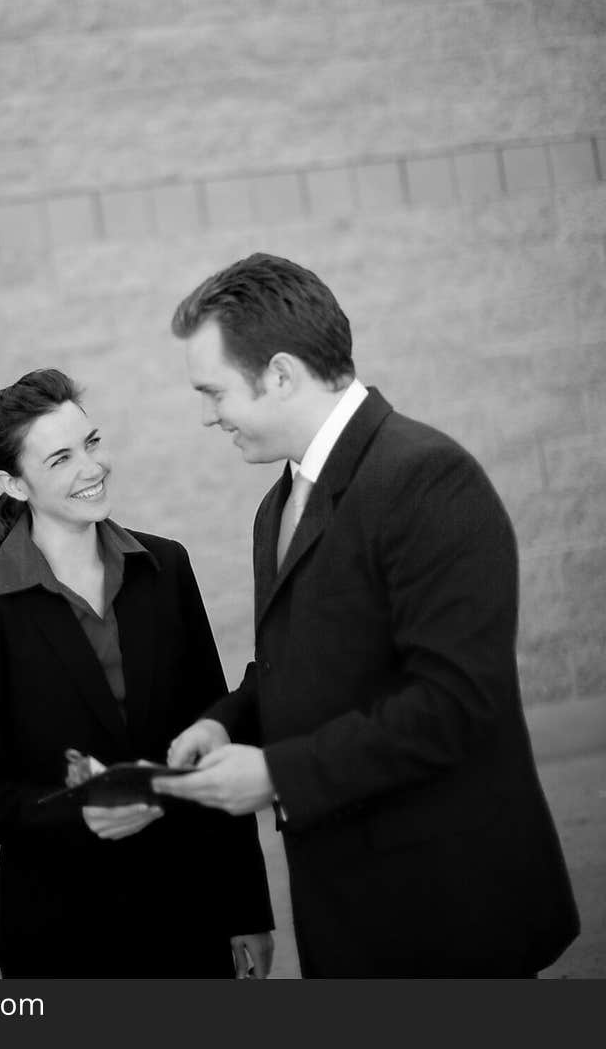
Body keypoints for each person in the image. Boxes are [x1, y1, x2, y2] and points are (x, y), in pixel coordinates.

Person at [153, 253, 580, 978]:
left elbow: (454, 702)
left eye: (213, 391)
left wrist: (277, 774)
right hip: (347, 908)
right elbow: (305, 663)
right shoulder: (277, 503)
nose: (207, 415)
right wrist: (226, 719)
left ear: (281, 374)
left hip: (449, 910)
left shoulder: (426, 477)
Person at [0, 368, 274, 979]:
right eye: (60, 459)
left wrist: (246, 907)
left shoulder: (165, 567)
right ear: (13, 483)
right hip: (63, 937)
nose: (90, 469)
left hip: (188, 921)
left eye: (91, 443)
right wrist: (76, 814)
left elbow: (214, 728)